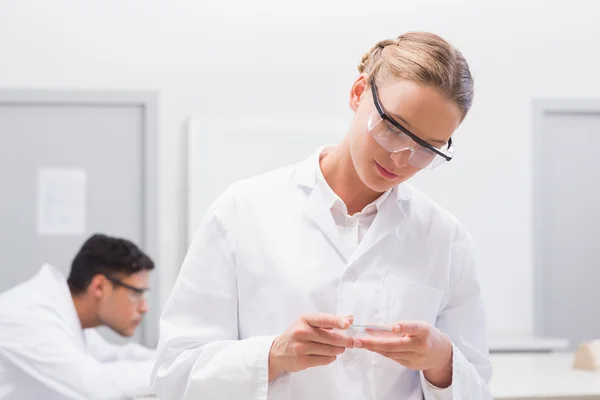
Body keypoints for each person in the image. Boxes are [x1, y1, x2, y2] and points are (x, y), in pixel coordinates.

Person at [152, 31, 492, 399]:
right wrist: (272, 356)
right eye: (393, 129)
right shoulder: (241, 211)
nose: (401, 158)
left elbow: (477, 388)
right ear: (359, 92)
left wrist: (442, 362)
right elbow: (173, 377)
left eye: (427, 149)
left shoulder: (445, 239)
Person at [0, 233, 157, 400]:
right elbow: (92, 386)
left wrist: (171, 360)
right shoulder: (30, 315)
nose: (144, 308)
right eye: (136, 294)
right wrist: (167, 372)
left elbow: (110, 356)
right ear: (100, 287)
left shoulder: (67, 312)